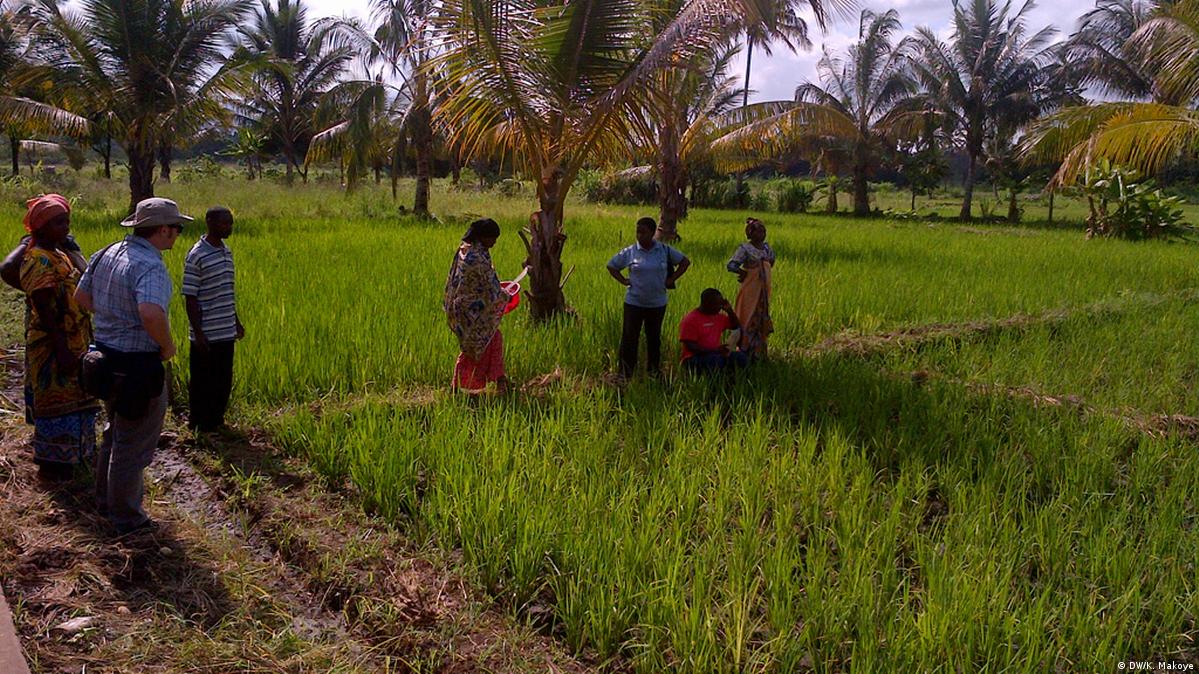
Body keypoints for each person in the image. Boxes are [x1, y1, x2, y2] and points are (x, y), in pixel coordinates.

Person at [76, 197, 190, 535]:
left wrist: (113, 318)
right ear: (163, 230)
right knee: (132, 444)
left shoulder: (108, 252)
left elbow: (81, 298)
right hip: (138, 367)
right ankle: (126, 517)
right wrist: (167, 346)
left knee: (115, 432)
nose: (178, 234)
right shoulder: (150, 266)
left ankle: (104, 500)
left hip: (104, 360)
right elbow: (151, 313)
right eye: (177, 228)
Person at [15, 195, 100, 481]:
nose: (66, 227)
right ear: (40, 227)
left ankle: (75, 458)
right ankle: (55, 465)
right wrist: (62, 349)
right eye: (58, 222)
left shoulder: (59, 253)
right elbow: (44, 309)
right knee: (57, 400)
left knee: (78, 398)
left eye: (66, 221)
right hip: (54, 345)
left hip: (74, 341)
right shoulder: (38, 258)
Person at [182, 207, 244, 435]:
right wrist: (198, 332)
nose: (229, 228)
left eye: (230, 223)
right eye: (224, 223)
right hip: (206, 331)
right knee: (202, 380)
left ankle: (217, 420)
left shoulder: (226, 251)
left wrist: (236, 322)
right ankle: (198, 423)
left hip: (225, 329)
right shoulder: (197, 254)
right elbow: (190, 297)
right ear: (209, 222)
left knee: (223, 379)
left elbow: (227, 291)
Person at [607, 217, 690, 377]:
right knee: (630, 338)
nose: (639, 235)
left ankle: (653, 371)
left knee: (654, 338)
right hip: (634, 303)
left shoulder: (664, 250)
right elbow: (612, 265)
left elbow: (685, 262)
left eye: (643, 232)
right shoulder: (630, 251)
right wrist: (624, 280)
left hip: (657, 303)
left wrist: (671, 279)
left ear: (652, 233)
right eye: (638, 232)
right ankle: (625, 372)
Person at [444, 218, 510, 393]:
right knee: (479, 344)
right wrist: (505, 295)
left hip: (462, 309)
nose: (494, 242)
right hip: (472, 312)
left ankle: (498, 381)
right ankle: (463, 385)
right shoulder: (477, 258)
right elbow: (490, 284)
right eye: (492, 238)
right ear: (483, 237)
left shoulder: (464, 250)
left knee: (483, 342)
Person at [727, 217, 775, 358]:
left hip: (763, 292)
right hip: (750, 291)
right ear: (750, 233)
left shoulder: (767, 249)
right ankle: (744, 351)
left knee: (761, 319)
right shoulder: (745, 249)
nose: (762, 234)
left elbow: (771, 262)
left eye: (763, 231)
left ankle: (759, 352)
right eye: (758, 231)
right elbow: (731, 265)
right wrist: (743, 272)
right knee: (747, 318)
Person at [679, 288, 749, 373]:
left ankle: (734, 381)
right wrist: (715, 350)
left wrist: (729, 311)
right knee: (716, 361)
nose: (720, 307)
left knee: (741, 357)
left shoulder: (718, 317)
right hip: (693, 358)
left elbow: (735, 326)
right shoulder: (690, 320)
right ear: (707, 304)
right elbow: (691, 347)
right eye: (717, 305)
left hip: (715, 354)